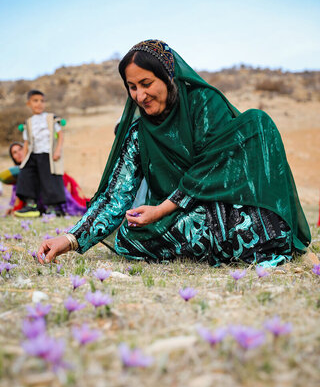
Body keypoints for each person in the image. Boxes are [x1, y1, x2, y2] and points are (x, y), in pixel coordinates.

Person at [37, 39, 310, 267]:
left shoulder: (204, 104)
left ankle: (248, 244)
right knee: (129, 237)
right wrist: (70, 239)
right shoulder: (138, 134)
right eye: (132, 87)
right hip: (182, 217)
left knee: (256, 122)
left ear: (168, 77)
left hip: (225, 203)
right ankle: (229, 249)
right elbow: (114, 198)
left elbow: (211, 168)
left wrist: (161, 209)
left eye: (146, 83)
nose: (140, 96)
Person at [0, 142, 90, 216]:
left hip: (58, 190)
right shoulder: (18, 176)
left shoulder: (40, 162)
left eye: (20, 149)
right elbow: (17, 198)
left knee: (81, 205)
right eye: (14, 152)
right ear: (13, 157)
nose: (19, 153)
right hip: (40, 203)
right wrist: (14, 209)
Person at [14, 90, 66, 217]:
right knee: (26, 174)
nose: (39, 104)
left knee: (49, 179)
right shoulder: (29, 122)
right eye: (35, 101)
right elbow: (26, 142)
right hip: (33, 154)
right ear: (29, 104)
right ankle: (31, 205)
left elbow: (60, 135)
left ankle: (53, 207)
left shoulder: (50, 118)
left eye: (42, 101)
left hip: (47, 153)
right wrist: (24, 160)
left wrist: (57, 150)